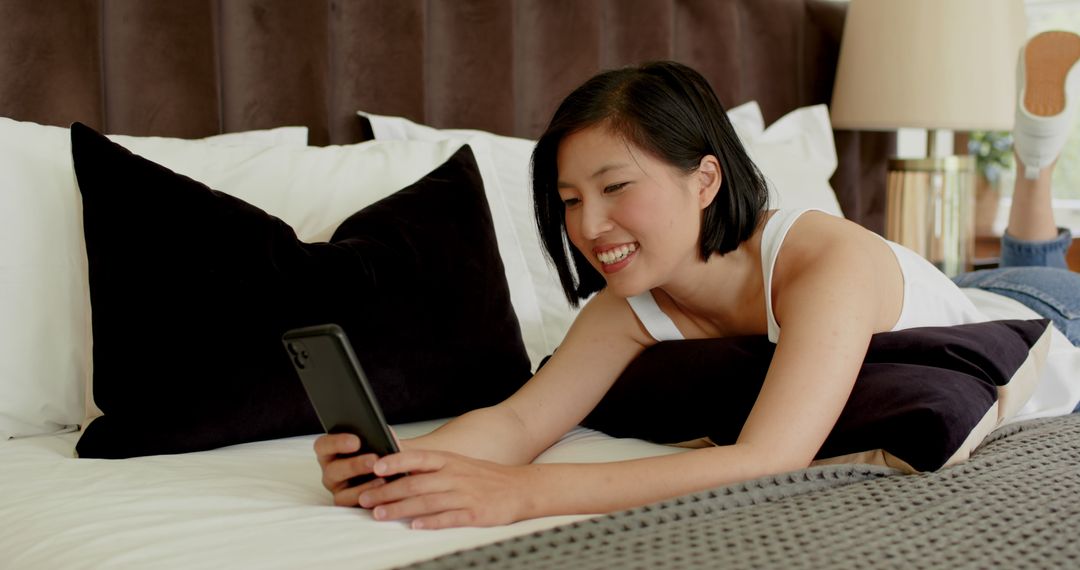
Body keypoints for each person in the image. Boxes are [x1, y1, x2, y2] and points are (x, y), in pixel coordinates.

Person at [314, 33, 1080, 530]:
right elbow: (518, 425)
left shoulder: (823, 261)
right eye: (571, 200)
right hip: (964, 287)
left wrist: (523, 496)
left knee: (1039, 272)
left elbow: (767, 461)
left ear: (706, 178)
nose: (589, 226)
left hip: (1046, 316)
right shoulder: (629, 305)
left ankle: (1037, 160)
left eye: (616, 187)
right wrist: (403, 462)